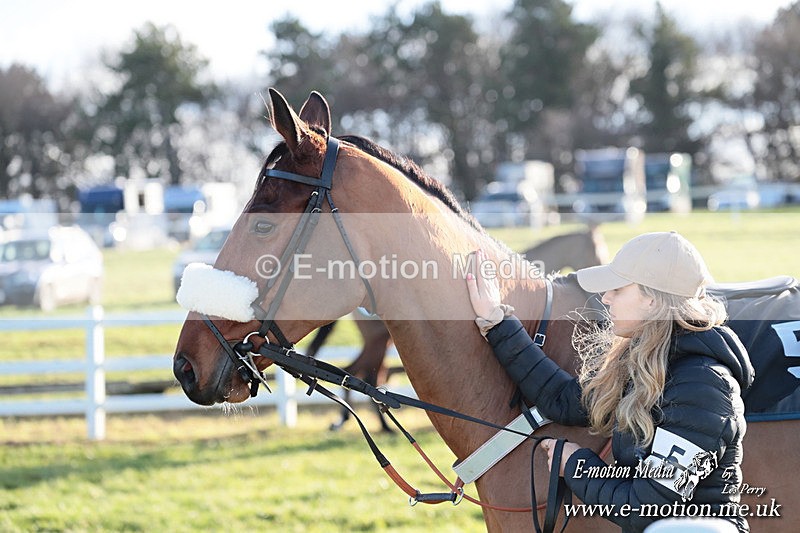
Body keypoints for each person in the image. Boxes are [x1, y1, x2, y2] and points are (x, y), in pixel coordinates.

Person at [466, 232, 753, 533]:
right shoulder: (644, 363)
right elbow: (562, 399)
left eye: (618, 289)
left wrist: (575, 463)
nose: (605, 298)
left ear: (652, 299)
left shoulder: (703, 387)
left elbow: (649, 512)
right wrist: (497, 322)